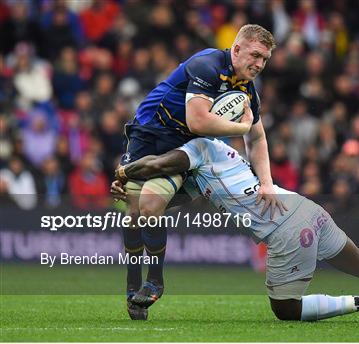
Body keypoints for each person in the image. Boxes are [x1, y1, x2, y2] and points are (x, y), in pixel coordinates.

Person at [112, 137, 359, 324]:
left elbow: (159, 164)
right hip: (307, 209)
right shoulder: (213, 166)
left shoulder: (200, 148)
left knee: (285, 309)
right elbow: (162, 203)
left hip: (285, 230)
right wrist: (139, 196)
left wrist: (126, 174)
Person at [118, 24, 285, 320]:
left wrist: (267, 183)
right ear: (236, 49)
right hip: (147, 132)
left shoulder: (246, 89)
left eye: (265, 60)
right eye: (256, 56)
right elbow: (199, 121)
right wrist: (242, 127)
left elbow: (257, 138)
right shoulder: (206, 65)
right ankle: (132, 286)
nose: (259, 65)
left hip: (180, 145)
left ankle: (154, 281)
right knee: (132, 211)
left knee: (150, 204)